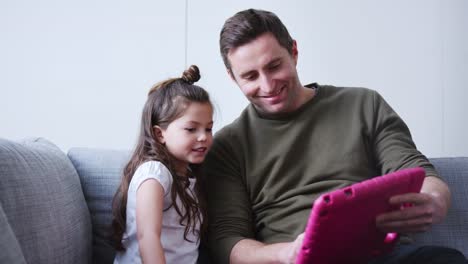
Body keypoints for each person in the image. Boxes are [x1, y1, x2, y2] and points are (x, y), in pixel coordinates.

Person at [204, 8, 467, 264]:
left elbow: (416, 170)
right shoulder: (227, 146)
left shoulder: (363, 104)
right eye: (250, 76)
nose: (268, 85)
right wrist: (286, 254)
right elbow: (228, 242)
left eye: (274, 66)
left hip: (380, 255)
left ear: (294, 52)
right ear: (232, 77)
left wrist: (435, 199)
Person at [111, 65, 214, 263]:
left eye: (208, 129)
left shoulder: (189, 176)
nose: (203, 137)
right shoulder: (155, 173)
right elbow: (147, 236)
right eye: (191, 129)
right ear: (160, 134)